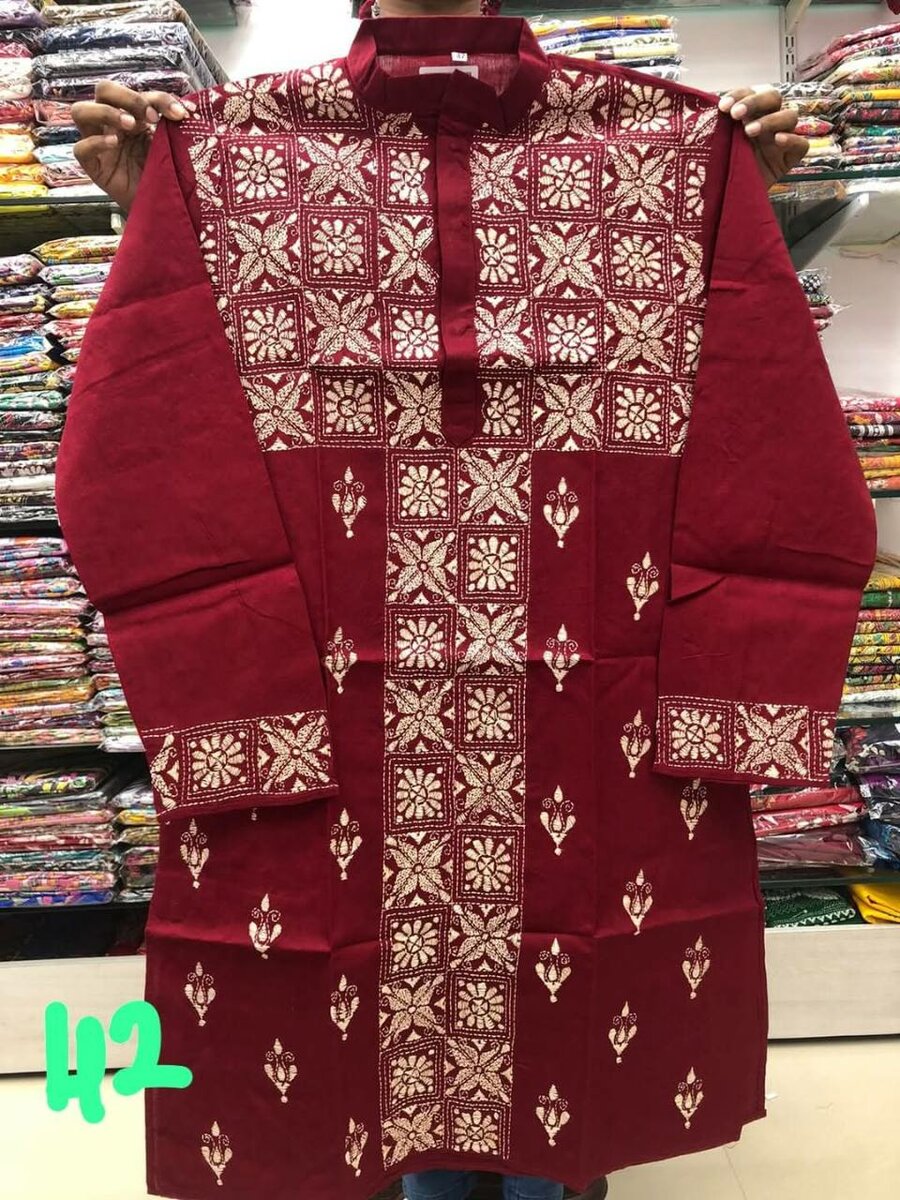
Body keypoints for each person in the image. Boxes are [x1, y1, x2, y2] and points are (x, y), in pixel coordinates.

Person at [68, 9, 810, 1200]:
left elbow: (771, 442)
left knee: (560, 1033)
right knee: (377, 1040)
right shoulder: (233, 154)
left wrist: (732, 195)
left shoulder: (658, 148)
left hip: (585, 707)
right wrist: (152, 202)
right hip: (333, 710)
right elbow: (141, 442)